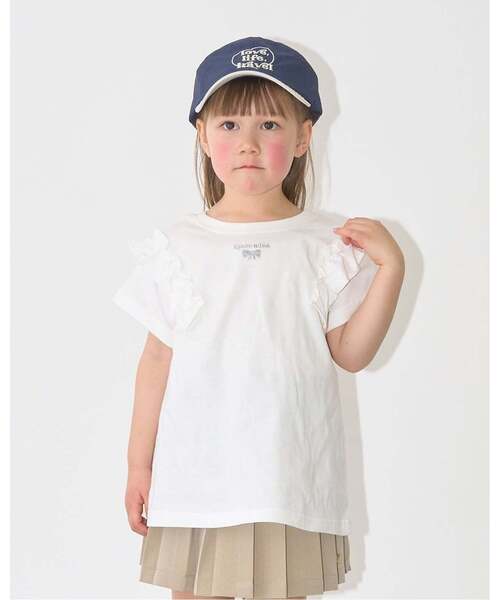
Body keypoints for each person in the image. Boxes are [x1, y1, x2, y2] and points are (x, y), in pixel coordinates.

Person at [113, 36, 405, 600]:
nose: (248, 142)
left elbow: (351, 354)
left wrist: (391, 268)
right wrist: (137, 466)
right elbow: (156, 361)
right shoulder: (181, 247)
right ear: (203, 136)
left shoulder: (325, 245)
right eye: (229, 125)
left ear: (302, 137)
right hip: (198, 477)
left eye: (269, 124)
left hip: (288, 480)